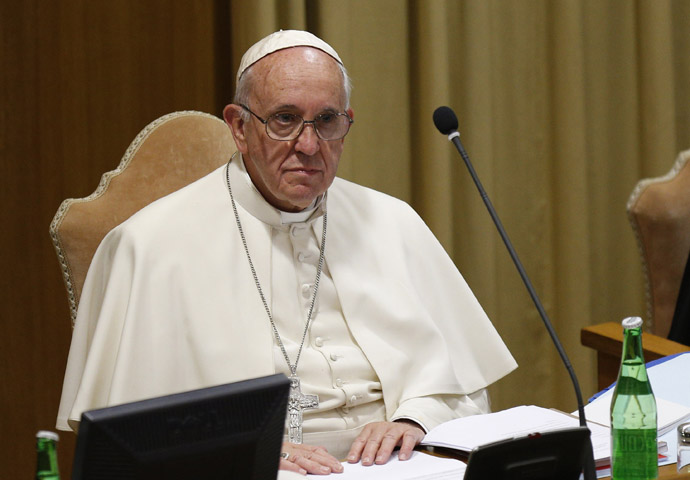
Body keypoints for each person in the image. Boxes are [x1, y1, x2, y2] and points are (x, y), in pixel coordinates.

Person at [57, 30, 517, 476]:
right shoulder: (150, 246)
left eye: (327, 121)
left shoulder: (393, 221)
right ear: (239, 126)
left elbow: (462, 385)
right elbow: (132, 441)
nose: (309, 145)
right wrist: (242, 448)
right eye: (284, 119)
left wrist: (414, 420)